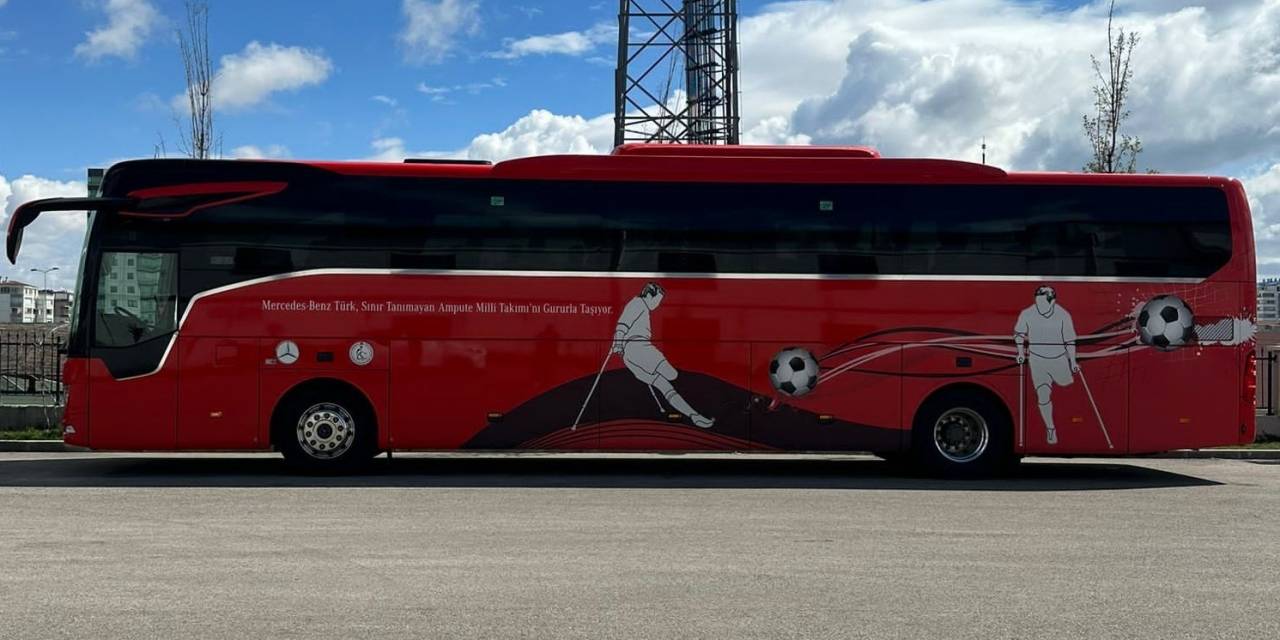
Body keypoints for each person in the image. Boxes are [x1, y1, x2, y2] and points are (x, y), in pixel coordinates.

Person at [613, 282, 715, 428]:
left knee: (664, 386)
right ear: (648, 295)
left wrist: (620, 345)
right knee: (672, 374)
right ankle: (698, 407)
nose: (657, 305)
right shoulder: (637, 303)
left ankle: (693, 415)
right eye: (657, 301)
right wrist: (618, 343)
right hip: (640, 348)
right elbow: (622, 325)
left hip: (631, 357)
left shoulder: (640, 306)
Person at [1014, 285, 1080, 445]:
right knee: (1043, 396)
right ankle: (1050, 429)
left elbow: (1069, 341)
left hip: (1059, 359)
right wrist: (1021, 353)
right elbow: (1019, 334)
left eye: (1043, 303)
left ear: (1052, 302)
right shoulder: (1027, 313)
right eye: (1037, 302)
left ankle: (1072, 427)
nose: (1039, 306)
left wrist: (1073, 362)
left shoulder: (1063, 315)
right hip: (1038, 360)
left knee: (1068, 393)